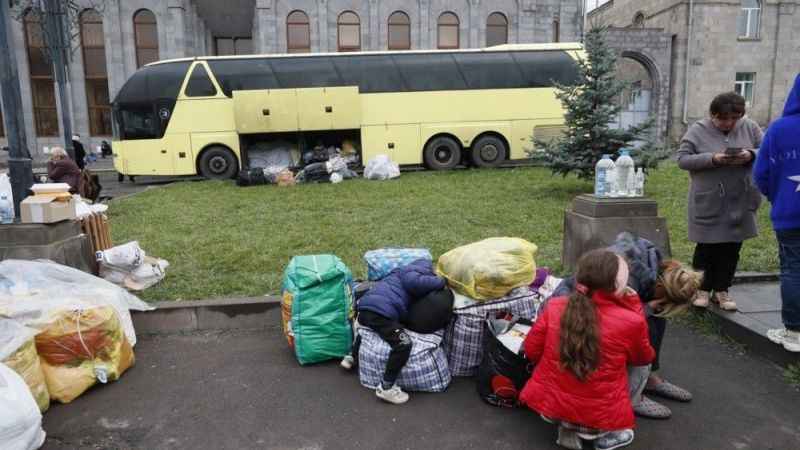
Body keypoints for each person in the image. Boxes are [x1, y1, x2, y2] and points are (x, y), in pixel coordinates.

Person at [520, 249, 655, 450]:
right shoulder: (631, 322)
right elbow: (642, 357)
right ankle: (604, 437)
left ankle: (567, 428)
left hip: (551, 407)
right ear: (618, 287)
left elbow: (530, 350)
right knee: (645, 365)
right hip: (598, 416)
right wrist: (633, 303)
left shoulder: (555, 306)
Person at [677, 92, 763, 311]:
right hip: (710, 200)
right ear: (712, 114)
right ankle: (702, 289)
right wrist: (713, 158)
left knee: (732, 248)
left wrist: (750, 155)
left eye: (735, 118)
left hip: (740, 199)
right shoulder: (697, 130)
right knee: (707, 247)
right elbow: (683, 160)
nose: (729, 123)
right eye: (723, 119)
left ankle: (722, 290)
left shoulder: (750, 127)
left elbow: (766, 151)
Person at [341, 259, 446, 405]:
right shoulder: (414, 275)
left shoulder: (397, 271)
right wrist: (441, 281)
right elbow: (415, 283)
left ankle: (350, 357)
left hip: (365, 308)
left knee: (367, 329)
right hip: (381, 312)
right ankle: (386, 386)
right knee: (403, 344)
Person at [753, 74, 800, 353]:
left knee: (794, 269)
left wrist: (777, 196)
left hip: (789, 212)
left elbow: (761, 173)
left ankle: (794, 331)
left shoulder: (779, 129)